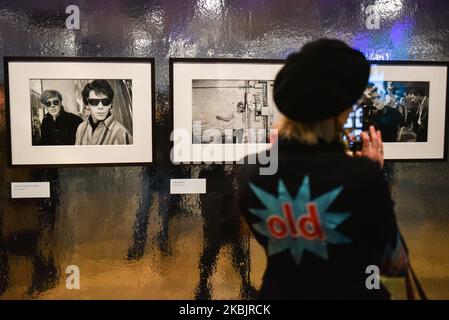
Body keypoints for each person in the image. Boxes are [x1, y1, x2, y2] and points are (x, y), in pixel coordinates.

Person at [238, 39, 408, 300]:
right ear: (340, 112)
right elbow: (394, 264)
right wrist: (374, 174)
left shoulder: (250, 170)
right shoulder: (362, 176)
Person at [75, 80, 132, 145]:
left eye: (105, 101)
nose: (100, 106)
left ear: (110, 104)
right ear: (87, 105)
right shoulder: (81, 128)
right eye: (94, 102)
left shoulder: (122, 134)